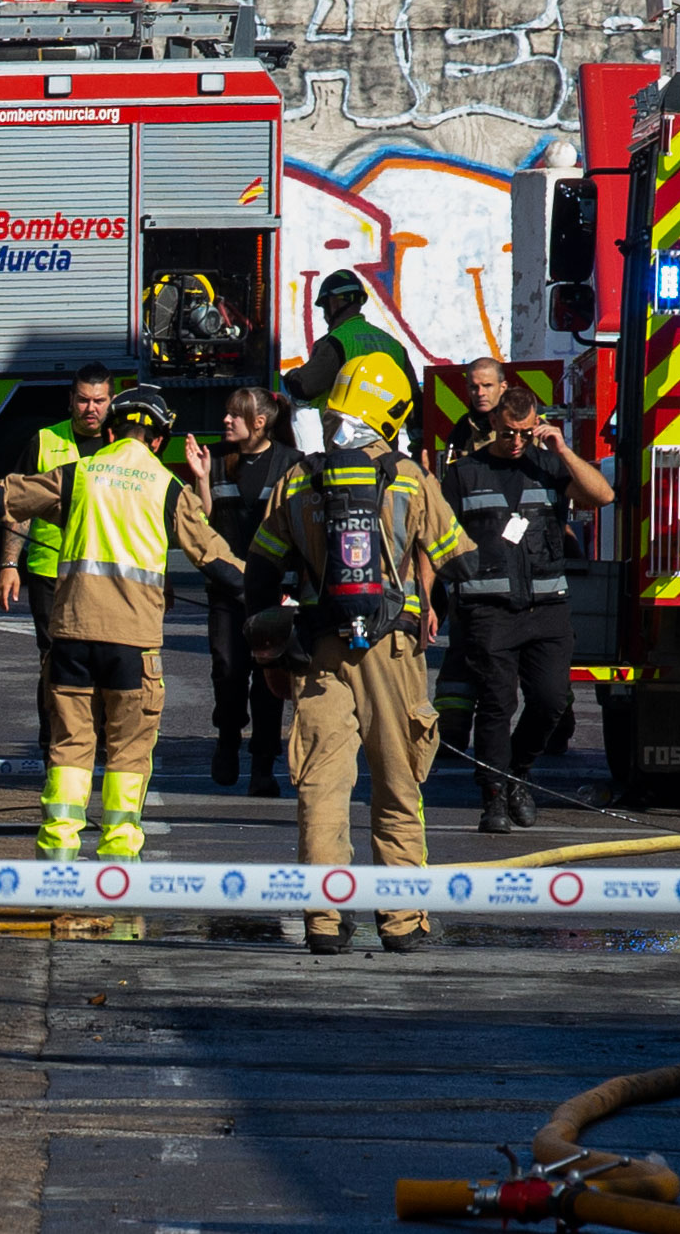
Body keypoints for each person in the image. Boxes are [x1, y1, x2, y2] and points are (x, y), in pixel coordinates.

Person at [0, 387, 242, 862]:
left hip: (71, 638)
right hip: (132, 646)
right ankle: (117, 861)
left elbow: (7, 496)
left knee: (70, 748)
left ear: (110, 431)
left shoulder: (80, 473)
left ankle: (58, 857)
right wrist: (271, 597)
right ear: (159, 441)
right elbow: (217, 561)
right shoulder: (165, 486)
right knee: (129, 756)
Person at [247, 353, 474, 955]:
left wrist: (271, 654)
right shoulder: (408, 477)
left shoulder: (297, 479)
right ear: (392, 413)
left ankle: (324, 920)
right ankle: (401, 920)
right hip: (393, 648)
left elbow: (260, 571)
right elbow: (463, 562)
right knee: (398, 785)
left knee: (322, 787)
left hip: (318, 650)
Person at [442, 385, 613, 833]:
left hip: (547, 607)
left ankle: (518, 772)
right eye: (508, 432)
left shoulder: (548, 464)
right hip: (489, 609)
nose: (516, 441)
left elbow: (603, 496)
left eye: (525, 432)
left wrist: (562, 447)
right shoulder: (465, 473)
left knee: (552, 699)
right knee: (497, 703)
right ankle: (494, 797)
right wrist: (427, 601)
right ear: (494, 423)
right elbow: (434, 538)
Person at [187, 387, 303, 797]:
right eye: (226, 414)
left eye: (235, 415)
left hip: (276, 592)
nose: (226, 421)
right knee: (228, 672)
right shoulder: (215, 460)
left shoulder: (293, 464)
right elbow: (202, 523)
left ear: (260, 423)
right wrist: (201, 480)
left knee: (270, 682)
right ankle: (228, 741)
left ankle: (262, 767)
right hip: (227, 590)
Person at [0, 364, 114, 754]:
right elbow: (18, 508)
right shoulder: (45, 441)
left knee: (102, 663)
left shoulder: (122, 448)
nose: (90, 408)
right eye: (83, 399)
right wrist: (9, 564)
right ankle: (52, 745)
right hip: (51, 572)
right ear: (70, 400)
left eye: (99, 400)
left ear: (111, 401)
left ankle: (94, 741)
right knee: (54, 663)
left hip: (105, 576)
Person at [434, 357, 510, 751]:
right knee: (463, 643)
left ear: (503, 386)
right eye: (473, 387)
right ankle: (452, 727)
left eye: (486, 386)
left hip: (517, 551)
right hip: (473, 549)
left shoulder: (521, 426)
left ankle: (556, 726)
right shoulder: (462, 429)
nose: (478, 393)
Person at [283, 270, 414, 453]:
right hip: (386, 453)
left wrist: (291, 377)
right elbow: (414, 406)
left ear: (334, 302)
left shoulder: (335, 342)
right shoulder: (394, 345)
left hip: (343, 445)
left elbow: (306, 387)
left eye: (325, 306)